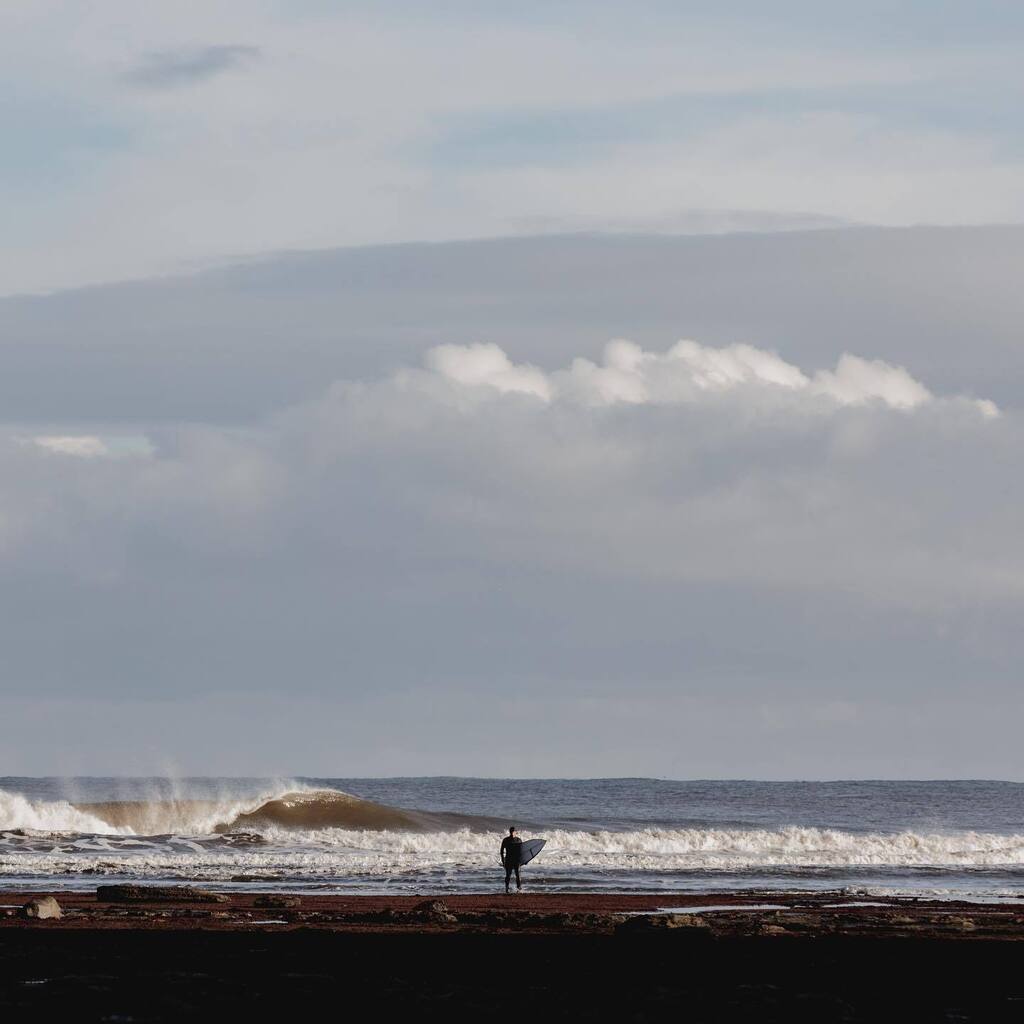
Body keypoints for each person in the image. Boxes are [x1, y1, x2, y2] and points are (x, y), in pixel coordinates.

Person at [500, 826, 523, 893]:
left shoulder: (519, 840)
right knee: (508, 875)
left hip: (516, 860)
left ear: (516, 832)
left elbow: (522, 852)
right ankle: (506, 888)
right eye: (511, 831)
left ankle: (519, 889)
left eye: (513, 831)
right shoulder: (506, 840)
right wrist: (503, 860)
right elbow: (501, 851)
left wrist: (523, 860)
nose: (512, 833)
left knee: (518, 875)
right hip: (508, 859)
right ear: (509, 832)